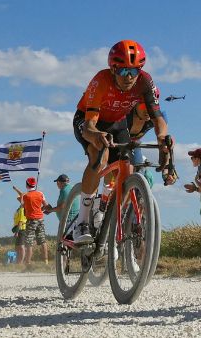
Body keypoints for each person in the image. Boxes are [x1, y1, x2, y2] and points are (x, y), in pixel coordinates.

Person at [72, 40, 174, 244]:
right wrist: (96, 135)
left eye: (134, 71)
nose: (129, 77)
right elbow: (90, 125)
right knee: (100, 156)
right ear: (113, 68)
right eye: (124, 70)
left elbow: (158, 118)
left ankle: (104, 209)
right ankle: (82, 221)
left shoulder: (145, 81)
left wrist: (162, 139)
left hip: (117, 123)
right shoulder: (101, 80)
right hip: (88, 121)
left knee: (125, 167)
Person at [20, 177, 50, 267]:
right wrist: (40, 209)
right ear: (34, 185)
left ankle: (28, 262)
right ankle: (46, 261)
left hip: (31, 220)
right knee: (42, 241)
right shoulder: (41, 193)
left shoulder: (25, 196)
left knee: (29, 242)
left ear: (26, 185)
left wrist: (21, 198)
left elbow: (22, 206)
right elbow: (46, 205)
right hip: (40, 219)